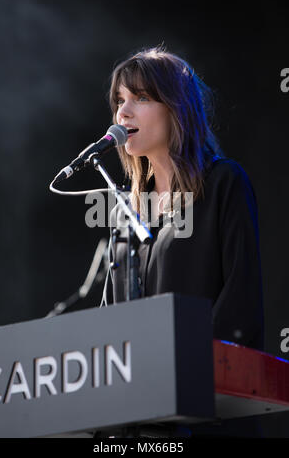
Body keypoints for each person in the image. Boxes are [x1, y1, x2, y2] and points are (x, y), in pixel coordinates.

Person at [101, 46, 265, 437]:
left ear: (176, 108)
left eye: (141, 98)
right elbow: (107, 325)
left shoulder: (224, 183)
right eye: (120, 100)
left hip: (206, 413)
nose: (123, 112)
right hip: (138, 424)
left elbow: (240, 303)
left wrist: (176, 372)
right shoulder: (126, 211)